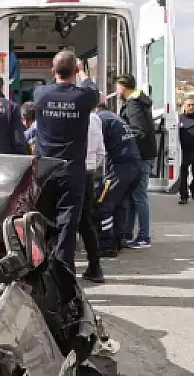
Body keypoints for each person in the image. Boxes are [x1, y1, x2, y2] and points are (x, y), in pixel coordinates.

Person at [33, 50, 100, 274]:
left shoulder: (40, 93)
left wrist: (61, 72)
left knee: (42, 220)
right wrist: (81, 74)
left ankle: (41, 266)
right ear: (76, 70)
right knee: (68, 223)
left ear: (53, 71)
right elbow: (94, 90)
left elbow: (55, 82)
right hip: (71, 170)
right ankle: (63, 270)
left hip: (44, 170)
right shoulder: (83, 96)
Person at [94, 96, 142, 258]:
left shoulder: (100, 119)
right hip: (134, 165)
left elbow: (96, 145)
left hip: (119, 167)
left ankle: (107, 246)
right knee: (119, 203)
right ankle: (118, 239)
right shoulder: (115, 117)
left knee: (104, 203)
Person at [113, 74, 157, 248]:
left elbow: (139, 131)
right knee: (134, 196)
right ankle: (130, 234)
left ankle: (144, 236)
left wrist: (122, 138)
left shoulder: (133, 105)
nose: (116, 90)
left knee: (139, 196)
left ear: (123, 87)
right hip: (144, 154)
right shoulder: (138, 102)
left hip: (141, 155)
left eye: (117, 87)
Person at [79, 100, 106, 282]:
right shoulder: (93, 118)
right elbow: (101, 152)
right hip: (86, 173)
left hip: (62, 171)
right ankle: (95, 266)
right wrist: (91, 168)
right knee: (86, 221)